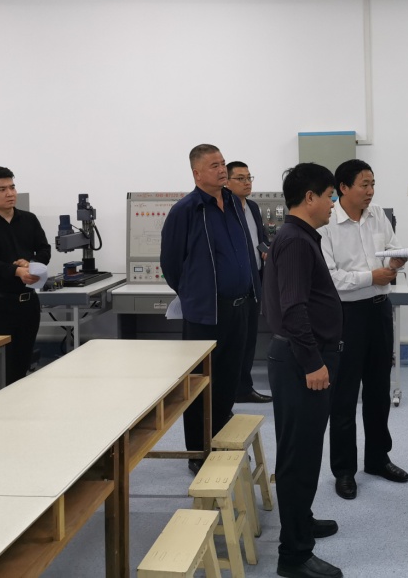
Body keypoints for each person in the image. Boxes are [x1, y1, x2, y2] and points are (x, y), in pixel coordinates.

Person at [160, 144, 261, 472]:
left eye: (222, 164)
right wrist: (195, 295)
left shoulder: (234, 203)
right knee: (200, 385)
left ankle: (220, 441)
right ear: (197, 173)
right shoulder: (186, 211)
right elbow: (171, 263)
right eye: (214, 165)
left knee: (229, 381)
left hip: (239, 308)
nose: (221, 170)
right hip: (206, 313)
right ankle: (198, 452)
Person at [265, 162, 343, 578]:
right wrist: (314, 362)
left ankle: (302, 519)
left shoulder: (299, 237)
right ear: (309, 197)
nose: (333, 204)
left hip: (300, 358)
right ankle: (294, 555)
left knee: (305, 450)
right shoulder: (295, 241)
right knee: (299, 457)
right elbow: (294, 309)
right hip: (300, 362)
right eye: (330, 196)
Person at [319, 159, 408, 500]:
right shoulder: (326, 223)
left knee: (378, 390)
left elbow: (393, 250)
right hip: (345, 315)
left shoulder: (378, 216)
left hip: (379, 311)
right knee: (343, 395)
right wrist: (372, 276)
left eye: (373, 184)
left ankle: (377, 459)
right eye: (364, 185)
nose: (370, 191)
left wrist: (396, 261)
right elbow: (331, 278)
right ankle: (344, 470)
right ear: (343, 188)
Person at [0, 166, 51, 397]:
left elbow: (44, 249)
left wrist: (32, 263)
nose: (10, 193)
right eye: (2, 189)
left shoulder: (29, 220)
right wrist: (17, 271)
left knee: (21, 364)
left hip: (28, 304)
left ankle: (18, 411)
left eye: (12, 187)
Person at [226, 160, 273, 404]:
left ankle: (244, 389)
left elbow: (260, 239)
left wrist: (267, 251)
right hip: (233, 286)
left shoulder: (252, 207)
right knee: (232, 344)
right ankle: (228, 392)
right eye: (241, 178)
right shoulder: (223, 209)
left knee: (248, 340)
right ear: (226, 182)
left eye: (249, 178)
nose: (247, 183)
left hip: (254, 283)